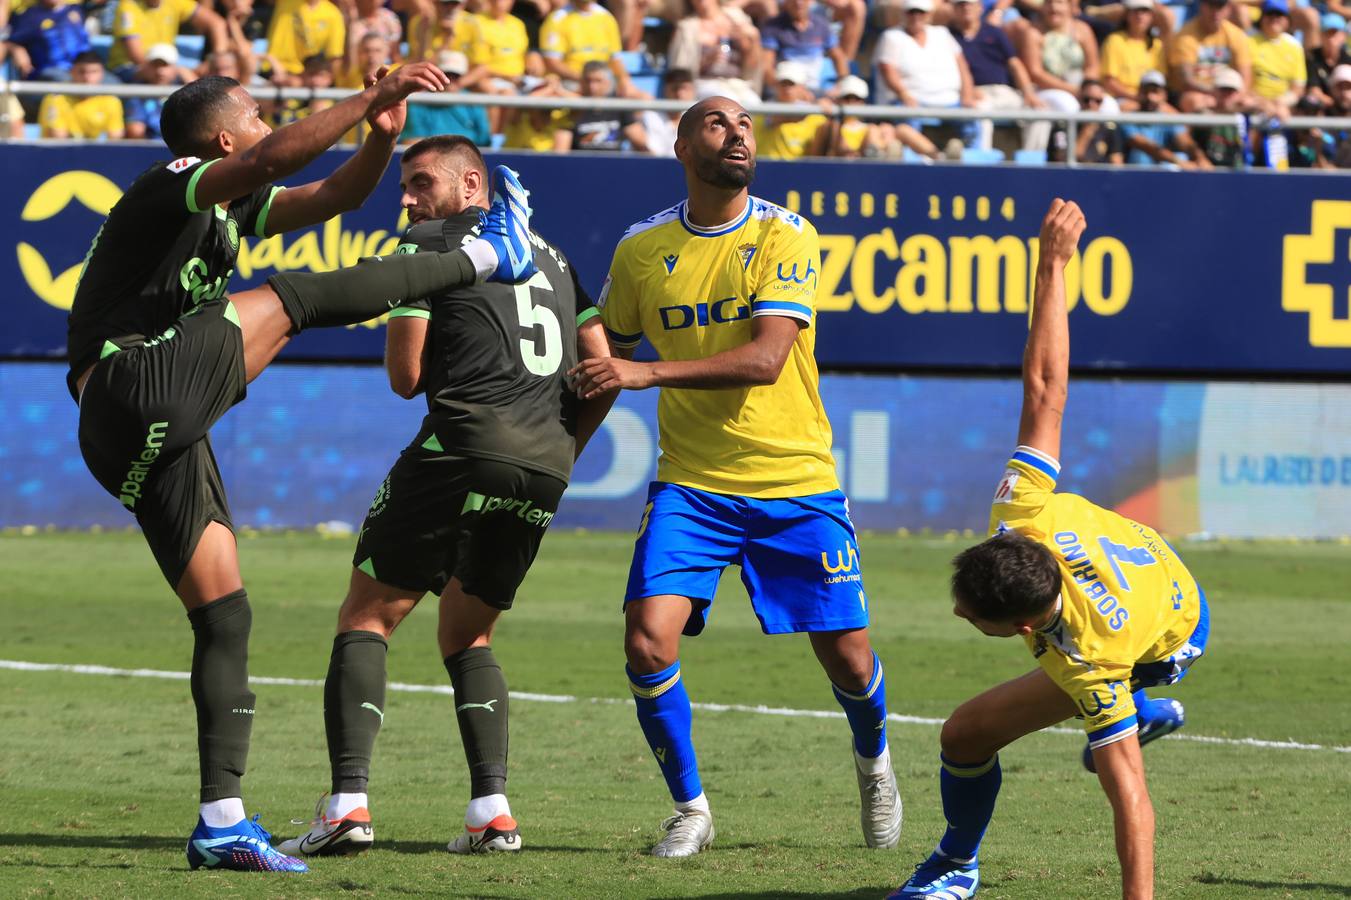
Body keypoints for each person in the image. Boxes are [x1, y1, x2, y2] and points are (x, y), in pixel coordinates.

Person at [66, 62, 539, 873]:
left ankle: (221, 822)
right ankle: (488, 258)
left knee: (224, 615)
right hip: (131, 383)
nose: (265, 119)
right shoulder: (174, 179)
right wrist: (370, 96)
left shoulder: (229, 207)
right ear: (220, 138)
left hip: (142, 434)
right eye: (253, 113)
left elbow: (333, 199)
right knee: (297, 299)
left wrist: (378, 141)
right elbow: (270, 162)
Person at [571, 95, 901, 859]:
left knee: (849, 659)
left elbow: (765, 360)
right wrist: (560, 458)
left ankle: (874, 762)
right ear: (682, 146)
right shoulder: (641, 250)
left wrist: (644, 371)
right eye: (717, 123)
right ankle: (691, 809)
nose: (738, 133)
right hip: (691, 484)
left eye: (745, 123)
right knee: (647, 644)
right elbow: (605, 367)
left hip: (794, 479)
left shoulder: (785, 233)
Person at [278, 134, 612, 859]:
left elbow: (406, 376)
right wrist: (561, 448)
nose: (407, 199)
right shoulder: (556, 259)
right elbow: (604, 366)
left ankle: (346, 805)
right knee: (469, 635)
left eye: (421, 183)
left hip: (460, 446)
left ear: (471, 186)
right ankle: (491, 813)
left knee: (366, 618)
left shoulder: (431, 245)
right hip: (543, 465)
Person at [889, 199, 1209, 900]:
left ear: (1027, 627)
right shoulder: (1020, 512)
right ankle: (958, 859)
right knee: (970, 736)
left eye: (976, 619)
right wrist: (1051, 263)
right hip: (1134, 566)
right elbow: (1045, 388)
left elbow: (1131, 799)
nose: (958, 617)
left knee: (966, 736)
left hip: (1169, 631)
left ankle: (953, 866)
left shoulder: (1087, 659)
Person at [1167, 0, 1253, 112]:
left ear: (1228, 9)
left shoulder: (1237, 35)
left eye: (1220, 7)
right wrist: (1214, 93)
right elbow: (1186, 80)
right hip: (1198, 92)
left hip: (1228, 91)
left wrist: (1231, 96)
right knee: (1195, 101)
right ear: (1202, 6)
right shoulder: (1185, 36)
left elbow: (1245, 78)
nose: (1215, 12)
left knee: (1250, 102)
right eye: (1211, 6)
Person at [108, 0, 226, 81]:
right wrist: (177, 70)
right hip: (129, 67)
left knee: (221, 71)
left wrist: (214, 60)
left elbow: (217, 24)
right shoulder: (128, 6)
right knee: (186, 81)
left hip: (165, 63)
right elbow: (136, 56)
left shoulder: (174, 2)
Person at [1120, 69, 1210, 167]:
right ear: (1139, 93)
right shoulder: (1128, 119)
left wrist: (1200, 158)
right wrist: (1179, 162)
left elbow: (1185, 141)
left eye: (1155, 92)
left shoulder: (1167, 119)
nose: (1150, 97)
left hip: (1161, 175)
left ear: (1164, 95)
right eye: (1146, 91)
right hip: (1134, 176)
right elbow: (1145, 145)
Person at [554, 59, 648, 151]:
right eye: (588, 81)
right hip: (581, 164)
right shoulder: (572, 110)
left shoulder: (619, 107)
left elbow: (641, 144)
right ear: (581, 82)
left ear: (608, 83)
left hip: (614, 164)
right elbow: (560, 153)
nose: (592, 87)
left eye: (598, 81)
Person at [403, 50, 492, 145]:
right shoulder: (419, 104)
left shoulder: (474, 102)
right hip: (433, 155)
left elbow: (484, 140)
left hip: (467, 155)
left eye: (456, 76)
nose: (450, 80)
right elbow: (414, 140)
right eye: (446, 75)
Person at [759, 0, 849, 92]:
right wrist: (782, 88)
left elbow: (838, 57)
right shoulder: (772, 27)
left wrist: (840, 85)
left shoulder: (822, 25)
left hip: (816, 88)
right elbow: (767, 67)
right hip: (787, 87)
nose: (798, 2)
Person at [1100, 0, 1169, 110]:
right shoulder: (1114, 41)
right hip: (1122, 99)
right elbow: (1109, 82)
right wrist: (1137, 97)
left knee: (1179, 121)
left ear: (1152, 16)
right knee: (1134, 110)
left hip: (1151, 100)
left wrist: (1153, 98)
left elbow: (1161, 82)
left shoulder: (1156, 45)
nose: (1140, 16)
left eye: (1145, 11)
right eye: (1135, 11)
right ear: (1127, 15)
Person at [39, 51, 125, 139]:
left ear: (102, 74)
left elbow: (115, 139)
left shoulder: (111, 101)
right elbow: (58, 139)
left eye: (94, 72)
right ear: (72, 72)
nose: (87, 78)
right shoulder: (55, 98)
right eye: (82, 72)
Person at [4, 0, 92, 81]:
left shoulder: (77, 9)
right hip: (51, 71)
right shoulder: (29, 16)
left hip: (84, 68)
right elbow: (10, 42)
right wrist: (16, 49)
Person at [1249, 0, 1305, 116]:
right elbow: (1245, 82)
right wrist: (1263, 103)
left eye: (1279, 15)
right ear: (1262, 18)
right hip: (1254, 105)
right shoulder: (1248, 41)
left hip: (1283, 108)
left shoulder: (1295, 46)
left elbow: (1298, 88)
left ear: (1287, 20)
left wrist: (1282, 102)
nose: (1274, 19)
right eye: (1270, 14)